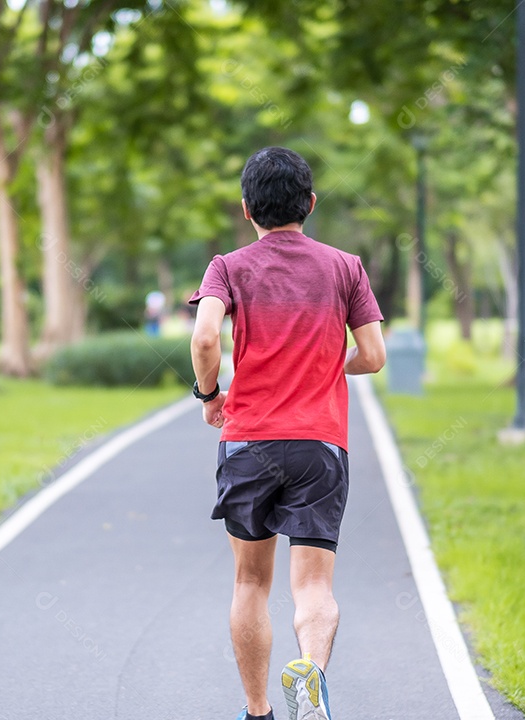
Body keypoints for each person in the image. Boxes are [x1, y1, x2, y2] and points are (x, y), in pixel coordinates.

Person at [188, 147, 386, 720]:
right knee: (314, 587)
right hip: (320, 442)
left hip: (248, 440)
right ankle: (311, 673)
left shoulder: (227, 267)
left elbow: (205, 340)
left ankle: (258, 711)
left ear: (247, 207)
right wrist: (325, 361)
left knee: (250, 583)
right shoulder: (346, 267)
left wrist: (210, 397)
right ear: (311, 204)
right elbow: (372, 356)